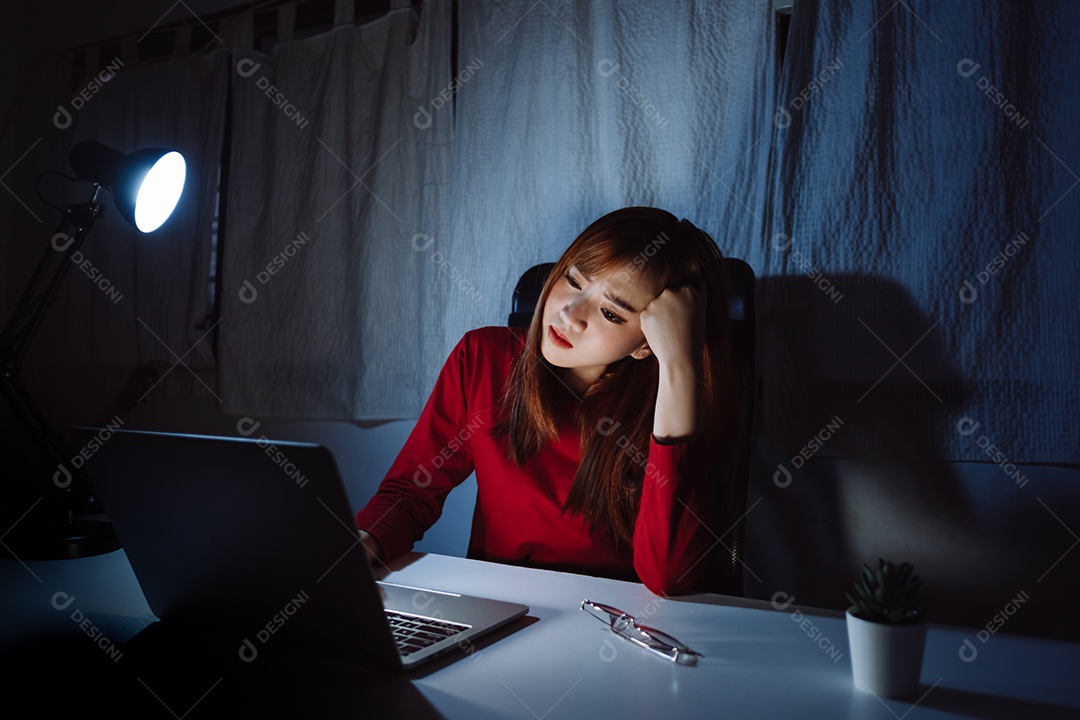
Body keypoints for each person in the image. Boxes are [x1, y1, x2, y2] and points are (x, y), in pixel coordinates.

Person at [355, 207, 738, 595]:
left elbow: (669, 578)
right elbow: (410, 492)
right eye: (573, 280)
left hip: (612, 620)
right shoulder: (482, 357)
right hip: (497, 607)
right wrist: (359, 545)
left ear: (646, 343)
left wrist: (679, 363)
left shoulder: (676, 402)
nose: (570, 314)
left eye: (610, 312)